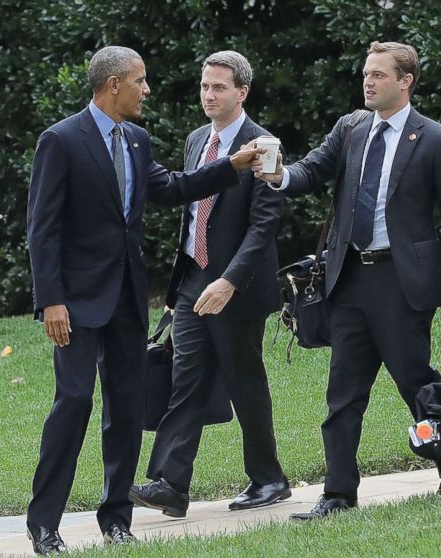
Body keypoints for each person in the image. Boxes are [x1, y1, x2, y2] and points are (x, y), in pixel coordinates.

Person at [25, 46, 263, 553]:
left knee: (127, 410)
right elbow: (41, 229)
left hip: (127, 301)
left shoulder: (136, 139)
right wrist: (51, 300)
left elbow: (172, 188)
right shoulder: (61, 140)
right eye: (140, 80)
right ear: (113, 85)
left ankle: (116, 518)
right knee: (73, 403)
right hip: (75, 304)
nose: (147, 89)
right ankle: (44, 524)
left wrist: (232, 166)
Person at [253, 41, 441, 520]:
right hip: (350, 279)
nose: (368, 81)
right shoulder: (352, 127)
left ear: (406, 81)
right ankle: (338, 493)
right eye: (366, 73)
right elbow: (312, 170)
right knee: (343, 393)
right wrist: (276, 175)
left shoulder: (435, 138)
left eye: (379, 74)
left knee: (416, 386)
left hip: (401, 283)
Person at [129, 51, 289, 518]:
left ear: (242, 92)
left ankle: (269, 479)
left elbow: (264, 226)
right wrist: (191, 278)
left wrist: (229, 282)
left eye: (219, 87)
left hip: (237, 286)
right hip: (193, 279)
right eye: (204, 87)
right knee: (186, 379)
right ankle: (170, 484)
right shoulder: (198, 138)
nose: (209, 95)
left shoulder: (264, 144)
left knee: (245, 381)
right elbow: (190, 204)